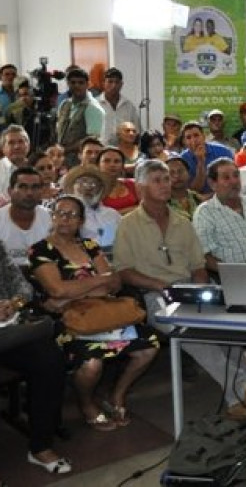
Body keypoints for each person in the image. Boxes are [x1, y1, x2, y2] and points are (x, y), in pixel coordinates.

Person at [115, 160, 246, 419]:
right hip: (153, 294)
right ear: (140, 188)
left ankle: (235, 399)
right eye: (156, 180)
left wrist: (201, 289)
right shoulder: (128, 224)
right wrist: (158, 285)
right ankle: (244, 387)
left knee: (233, 326)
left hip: (190, 288)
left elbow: (198, 264)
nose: (164, 185)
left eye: (166, 179)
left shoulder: (182, 222)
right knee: (191, 332)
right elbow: (124, 271)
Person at [29, 195, 159, 432]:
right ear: (53, 216)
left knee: (149, 346)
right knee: (91, 364)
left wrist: (73, 293)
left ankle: (117, 395)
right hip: (67, 319)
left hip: (103, 312)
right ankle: (87, 403)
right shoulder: (40, 250)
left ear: (81, 221)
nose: (65, 219)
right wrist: (95, 284)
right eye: (60, 213)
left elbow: (114, 284)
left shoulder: (89, 246)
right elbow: (55, 289)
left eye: (72, 215)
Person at [0, 240, 71, 474]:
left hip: (7, 331)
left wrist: (13, 304)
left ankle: (41, 446)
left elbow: (23, 288)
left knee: (49, 359)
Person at [63, 164, 122, 252]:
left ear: (101, 189)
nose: (88, 187)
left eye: (94, 183)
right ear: (73, 187)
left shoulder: (112, 214)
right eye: (83, 182)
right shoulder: (68, 214)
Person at [0, 167, 52, 266]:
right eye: (23, 187)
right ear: (10, 191)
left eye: (35, 187)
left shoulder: (51, 219)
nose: (29, 193)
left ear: (41, 191)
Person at [55, 68, 105, 167]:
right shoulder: (65, 104)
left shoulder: (93, 108)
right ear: (68, 84)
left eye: (81, 83)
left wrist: (66, 149)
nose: (76, 86)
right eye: (73, 82)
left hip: (81, 162)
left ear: (87, 84)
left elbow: (92, 140)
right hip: (62, 160)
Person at [179, 121, 234, 194]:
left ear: (204, 136)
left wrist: (210, 197)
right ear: (184, 141)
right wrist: (200, 161)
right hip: (197, 199)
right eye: (188, 137)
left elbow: (232, 183)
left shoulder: (223, 152)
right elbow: (193, 190)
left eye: (196, 135)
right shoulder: (182, 159)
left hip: (223, 195)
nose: (193, 140)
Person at [98, 68, 141, 145]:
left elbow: (137, 131)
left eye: (117, 82)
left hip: (124, 151)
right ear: (103, 83)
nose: (114, 85)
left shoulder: (129, 106)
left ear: (121, 84)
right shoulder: (95, 104)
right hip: (101, 151)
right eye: (110, 81)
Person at [98, 147, 139, 214]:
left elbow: (146, 208)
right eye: (107, 161)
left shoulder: (133, 184)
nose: (112, 165)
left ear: (122, 166)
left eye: (117, 161)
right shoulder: (94, 190)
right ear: (98, 165)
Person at [0, 125, 31, 202]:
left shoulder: (37, 167)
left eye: (21, 141)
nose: (17, 146)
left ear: (28, 145)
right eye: (11, 143)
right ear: (3, 148)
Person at [167, 156, 203, 221]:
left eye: (180, 171)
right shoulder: (161, 204)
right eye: (171, 173)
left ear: (188, 174)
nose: (176, 176)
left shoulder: (197, 199)